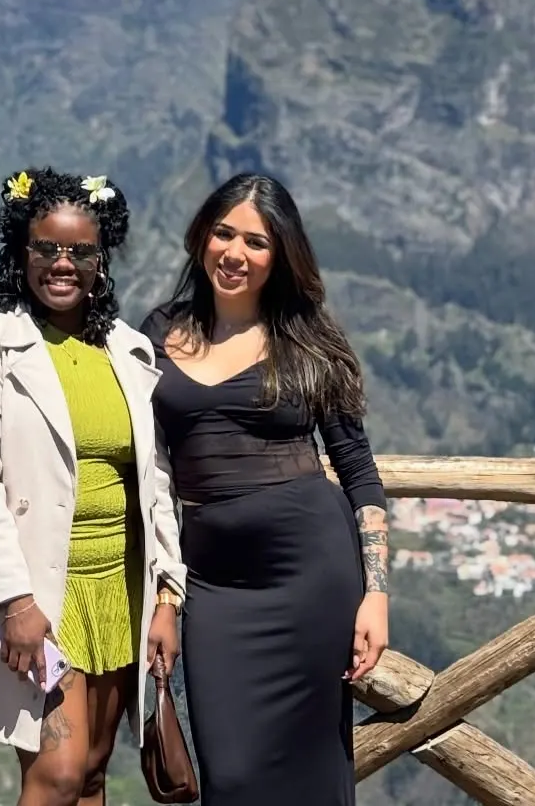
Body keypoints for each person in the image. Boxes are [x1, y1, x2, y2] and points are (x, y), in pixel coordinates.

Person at [141, 172, 389, 806]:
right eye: (224, 233)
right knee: (232, 777)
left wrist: (377, 596)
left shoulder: (309, 340)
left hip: (310, 578)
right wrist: (165, 597)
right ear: (202, 238)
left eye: (256, 242)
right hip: (214, 586)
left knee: (310, 770)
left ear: (279, 255)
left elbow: (358, 470)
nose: (235, 253)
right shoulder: (157, 331)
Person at [0, 168, 185, 806]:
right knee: (57, 772)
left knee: (96, 771)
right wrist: (15, 604)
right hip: (41, 595)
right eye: (46, 248)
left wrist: (167, 596)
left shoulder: (129, 353)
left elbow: (155, 484)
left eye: (79, 251)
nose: (62, 263)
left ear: (101, 261)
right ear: (20, 253)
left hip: (119, 589)